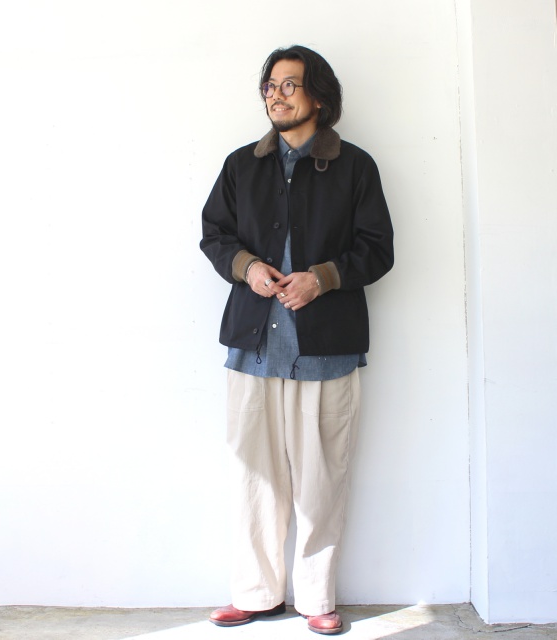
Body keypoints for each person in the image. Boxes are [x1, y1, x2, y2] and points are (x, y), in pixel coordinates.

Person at [200, 45, 394, 636]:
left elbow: (378, 249)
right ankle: (255, 594)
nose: (275, 95)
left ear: (319, 96)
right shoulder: (241, 165)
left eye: (289, 84)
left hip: (327, 347)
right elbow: (214, 235)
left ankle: (316, 598)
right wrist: (247, 268)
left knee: (322, 480)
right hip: (253, 346)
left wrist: (323, 278)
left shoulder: (355, 167)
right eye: (270, 85)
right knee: (253, 478)